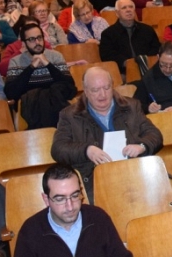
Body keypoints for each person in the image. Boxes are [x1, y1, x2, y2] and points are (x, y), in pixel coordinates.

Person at [51, 67, 163, 202]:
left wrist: (141, 146)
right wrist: (86, 150)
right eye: (95, 90)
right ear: (85, 91)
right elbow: (58, 149)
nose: (102, 95)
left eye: (107, 88)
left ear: (113, 86)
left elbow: (155, 135)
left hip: (134, 175)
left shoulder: (131, 106)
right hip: (94, 183)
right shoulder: (70, 115)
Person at [5, 22, 76, 128]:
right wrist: (31, 67)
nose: (37, 42)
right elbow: (11, 92)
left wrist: (48, 64)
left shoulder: (55, 56)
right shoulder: (16, 62)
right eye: (32, 39)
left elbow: (70, 86)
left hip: (57, 107)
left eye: (39, 38)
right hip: (31, 111)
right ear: (24, 43)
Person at [99, 0, 161, 76]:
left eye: (131, 7)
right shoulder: (108, 34)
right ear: (117, 13)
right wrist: (126, 63)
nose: (128, 10)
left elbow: (156, 48)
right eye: (124, 8)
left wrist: (145, 60)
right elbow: (107, 55)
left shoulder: (147, 30)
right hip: (122, 72)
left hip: (149, 69)